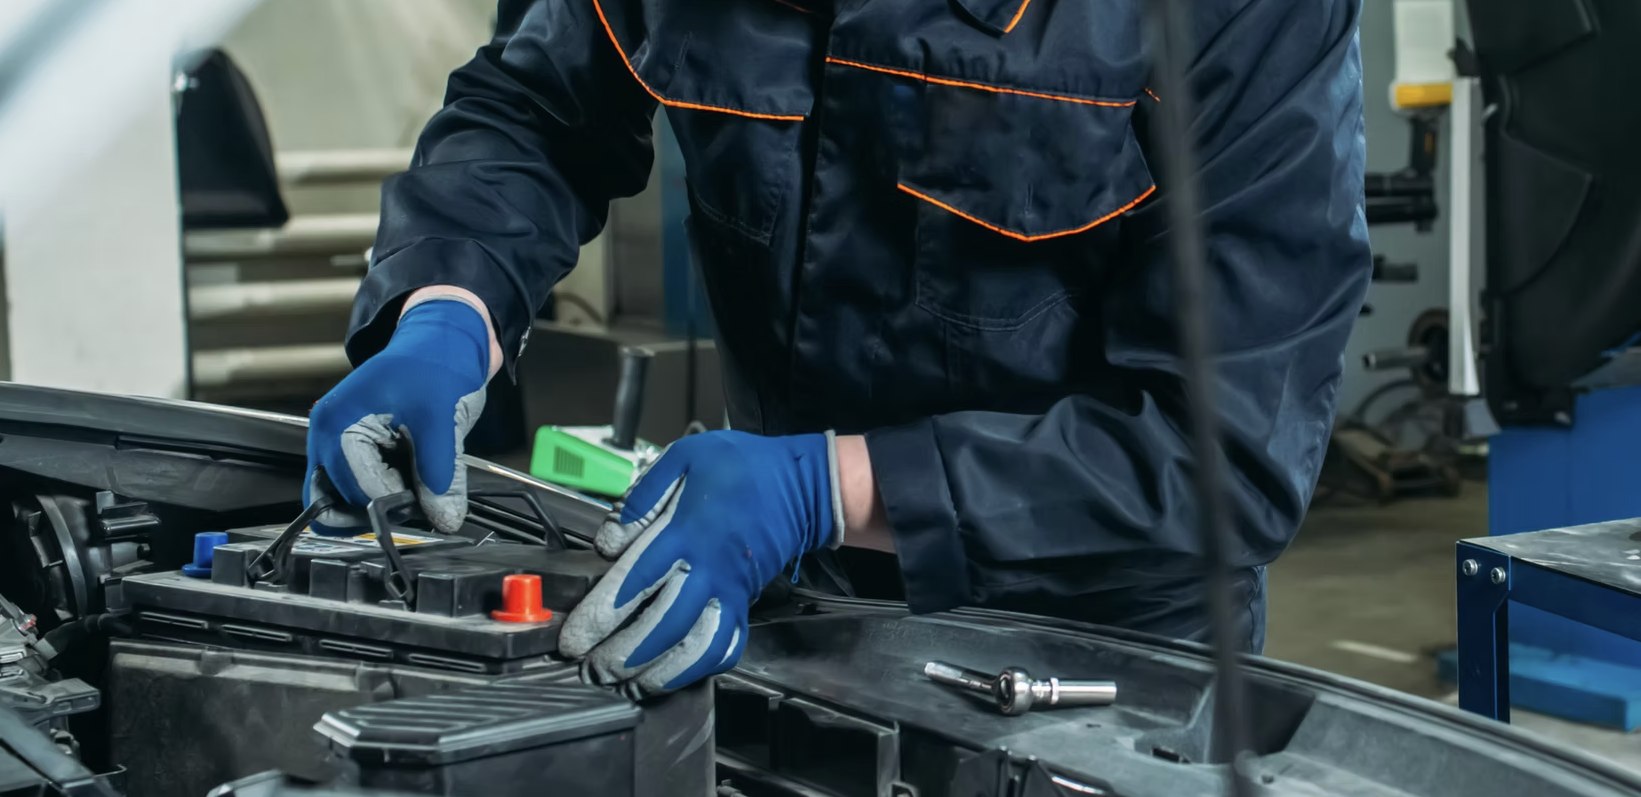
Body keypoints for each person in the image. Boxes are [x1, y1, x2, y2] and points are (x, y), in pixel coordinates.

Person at [307, 0, 1371, 697]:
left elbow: (1227, 452)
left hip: (1094, 663)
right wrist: (449, 307)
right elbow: (538, 110)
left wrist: (832, 486)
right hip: (772, 610)